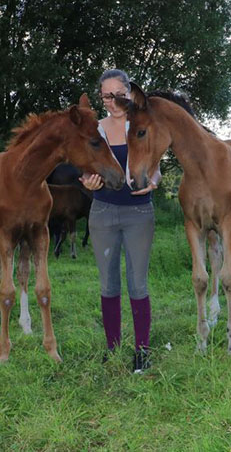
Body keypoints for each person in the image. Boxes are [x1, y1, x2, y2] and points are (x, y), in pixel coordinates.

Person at [80, 69, 159, 373]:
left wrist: (154, 180)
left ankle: (142, 351)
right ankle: (112, 348)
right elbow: (85, 167)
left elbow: (155, 166)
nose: (112, 101)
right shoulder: (95, 130)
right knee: (109, 284)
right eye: (106, 95)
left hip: (139, 214)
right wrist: (86, 180)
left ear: (129, 92)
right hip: (102, 214)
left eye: (118, 94)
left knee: (137, 284)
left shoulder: (142, 126)